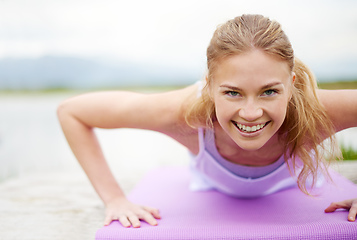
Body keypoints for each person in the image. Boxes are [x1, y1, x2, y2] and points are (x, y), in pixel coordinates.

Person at [57, 14, 357, 228]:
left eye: (269, 91)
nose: (250, 113)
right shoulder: (183, 116)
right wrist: (114, 199)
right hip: (210, 185)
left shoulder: (318, 111)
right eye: (232, 93)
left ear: (290, 84)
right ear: (210, 86)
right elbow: (72, 112)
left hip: (297, 182)